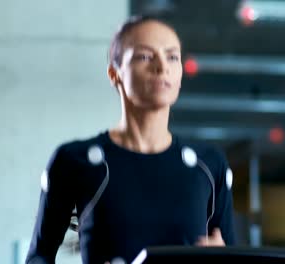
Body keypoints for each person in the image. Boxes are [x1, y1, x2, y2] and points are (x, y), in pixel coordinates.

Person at [26, 15, 235, 264]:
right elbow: (39, 257)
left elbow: (232, 255)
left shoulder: (210, 164)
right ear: (115, 74)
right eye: (145, 56)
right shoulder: (74, 160)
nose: (162, 67)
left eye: (172, 57)